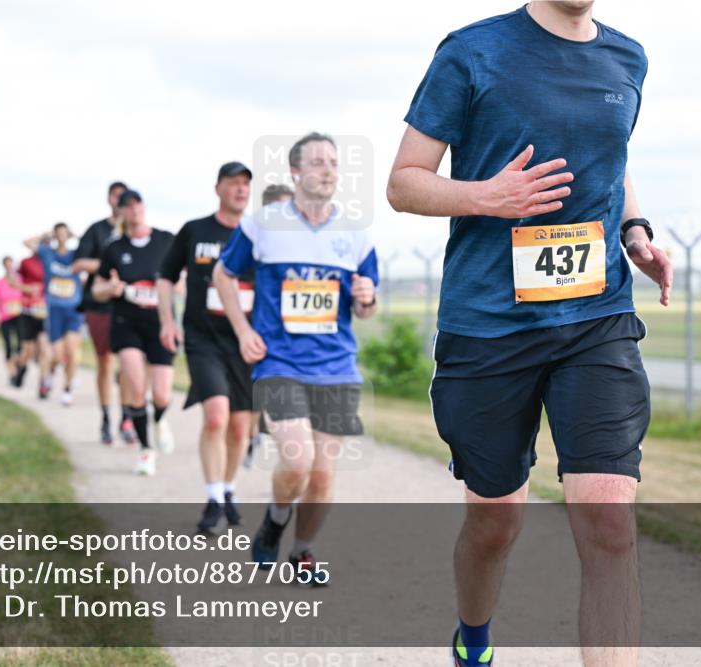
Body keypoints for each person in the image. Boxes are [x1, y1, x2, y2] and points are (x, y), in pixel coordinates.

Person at [386, 3, 673, 665]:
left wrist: (635, 231)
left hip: (596, 318)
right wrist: (487, 195)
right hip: (489, 326)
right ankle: (475, 641)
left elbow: (613, 159)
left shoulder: (627, 57)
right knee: (495, 519)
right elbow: (404, 182)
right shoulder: (471, 51)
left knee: (608, 520)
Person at [213, 132, 379, 585]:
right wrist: (244, 330)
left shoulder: (355, 235)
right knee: (298, 458)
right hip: (280, 362)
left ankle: (302, 552)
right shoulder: (263, 224)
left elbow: (365, 307)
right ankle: (275, 519)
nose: (328, 170)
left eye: (334, 162)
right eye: (318, 162)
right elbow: (223, 275)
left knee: (323, 477)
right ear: (295, 172)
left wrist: (367, 297)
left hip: (336, 366)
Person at [158, 161, 257, 533]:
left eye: (246, 183)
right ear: (218, 189)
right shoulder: (194, 230)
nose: (241, 189)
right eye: (233, 183)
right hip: (203, 340)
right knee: (216, 415)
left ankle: (229, 489)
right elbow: (165, 277)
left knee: (239, 429)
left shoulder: (258, 233)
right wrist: (167, 321)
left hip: (246, 342)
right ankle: (213, 497)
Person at [93, 190, 176, 476]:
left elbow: (184, 281)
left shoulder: (166, 241)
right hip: (126, 324)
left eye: (137, 203)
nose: (134, 210)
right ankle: (145, 450)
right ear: (121, 213)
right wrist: (109, 289)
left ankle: (161, 419)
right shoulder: (114, 248)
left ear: (144, 206)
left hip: (161, 324)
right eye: (126, 206)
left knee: (162, 393)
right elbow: (97, 288)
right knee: (137, 388)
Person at [73, 181, 136, 443]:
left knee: (128, 365)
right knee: (105, 363)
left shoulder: (136, 233)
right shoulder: (97, 231)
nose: (121, 201)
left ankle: (125, 417)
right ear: (109, 199)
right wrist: (110, 262)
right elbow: (78, 263)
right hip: (99, 306)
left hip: (127, 306)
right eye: (116, 196)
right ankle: (106, 417)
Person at [244, 183, 296, 468]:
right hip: (254, 337)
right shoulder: (252, 245)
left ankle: (287, 464)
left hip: (291, 342)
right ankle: (251, 436)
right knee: (255, 398)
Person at [26, 223, 83, 406]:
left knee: (72, 352)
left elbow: (95, 250)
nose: (62, 237)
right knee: (58, 356)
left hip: (74, 308)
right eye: (59, 234)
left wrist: (76, 235)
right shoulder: (48, 253)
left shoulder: (76, 255)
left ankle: (67, 390)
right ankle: (49, 375)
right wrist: (46, 234)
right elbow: (27, 242)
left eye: (65, 234)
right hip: (55, 309)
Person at [11, 251, 52, 398]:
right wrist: (28, 288)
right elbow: (12, 281)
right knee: (27, 351)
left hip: (45, 313)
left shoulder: (53, 261)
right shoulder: (26, 262)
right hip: (27, 312)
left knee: (44, 350)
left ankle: (43, 383)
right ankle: (21, 369)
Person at [0, 256, 25, 382]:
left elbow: (26, 296)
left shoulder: (21, 281)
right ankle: (11, 372)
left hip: (20, 316)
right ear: (4, 266)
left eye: (11, 264)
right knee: (8, 345)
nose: (10, 267)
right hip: (4, 317)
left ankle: (18, 365)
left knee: (21, 345)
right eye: (7, 264)